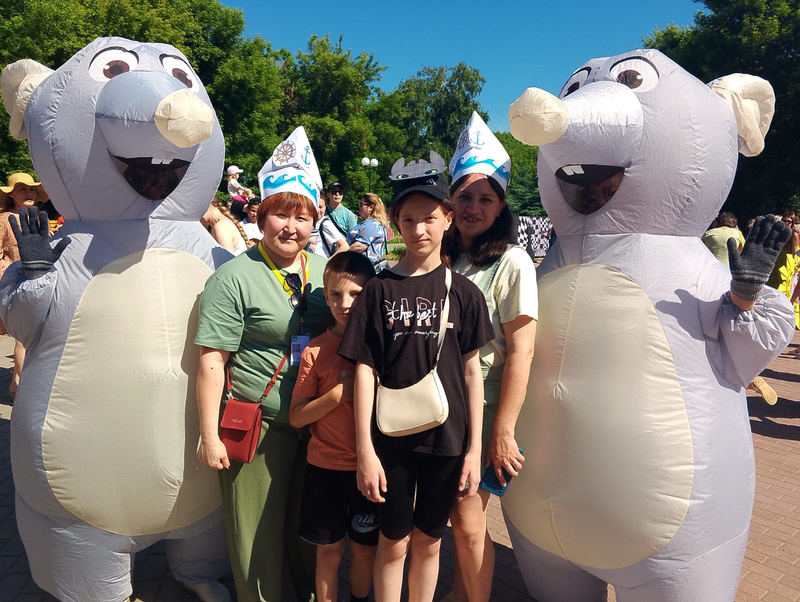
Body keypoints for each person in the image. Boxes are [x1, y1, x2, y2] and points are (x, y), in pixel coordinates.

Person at [338, 151, 493, 602]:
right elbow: (364, 370)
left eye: (429, 218)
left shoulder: (464, 293)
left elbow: (473, 372)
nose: (419, 229)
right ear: (395, 224)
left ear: (448, 219)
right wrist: (365, 451)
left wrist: (473, 450)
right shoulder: (378, 290)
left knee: (428, 541)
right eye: (408, 220)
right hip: (392, 440)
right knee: (393, 542)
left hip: (448, 441)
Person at [196, 127, 331, 602]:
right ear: (260, 214)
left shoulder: (324, 272)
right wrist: (210, 435)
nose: (290, 227)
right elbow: (212, 361)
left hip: (316, 425)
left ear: (314, 219)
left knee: (306, 532)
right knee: (256, 536)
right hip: (258, 425)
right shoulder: (234, 277)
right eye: (280, 214)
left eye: (302, 216)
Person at [442, 113, 538, 602]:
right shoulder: (442, 257)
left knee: (466, 519)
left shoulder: (512, 262)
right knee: (461, 520)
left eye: (485, 199)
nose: (473, 207)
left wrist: (503, 430)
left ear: (501, 206)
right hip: (440, 408)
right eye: (465, 196)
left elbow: (521, 350)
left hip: (483, 411)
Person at [290, 252, 378, 602]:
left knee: (365, 550)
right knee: (328, 551)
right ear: (325, 298)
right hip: (324, 470)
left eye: (356, 294)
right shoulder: (314, 351)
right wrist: (340, 393)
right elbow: (297, 416)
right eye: (336, 295)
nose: (345, 304)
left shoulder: (383, 347)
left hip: (370, 471)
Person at [0, 173, 49, 397]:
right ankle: (20, 388)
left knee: (27, 337)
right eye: (22, 189)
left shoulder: (36, 217)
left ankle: (16, 385)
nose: (29, 193)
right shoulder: (3, 220)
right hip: (12, 283)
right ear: (11, 194)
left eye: (31, 189)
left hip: (35, 282)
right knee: (24, 338)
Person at [347, 193, 389, 268]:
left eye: (361, 204)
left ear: (371, 207)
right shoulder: (368, 223)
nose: (359, 206)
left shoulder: (372, 224)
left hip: (365, 269)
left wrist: (341, 255)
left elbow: (359, 247)